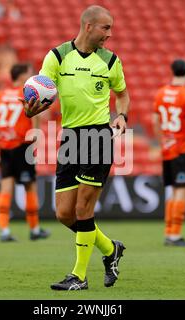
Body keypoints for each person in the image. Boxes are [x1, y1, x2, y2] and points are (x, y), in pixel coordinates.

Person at [24, 5, 130, 291]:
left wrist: (121, 115)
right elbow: (41, 88)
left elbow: (122, 94)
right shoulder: (58, 56)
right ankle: (110, 249)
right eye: (105, 28)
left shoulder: (110, 61)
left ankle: (79, 276)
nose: (109, 34)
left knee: (84, 210)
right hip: (70, 138)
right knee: (64, 214)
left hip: (97, 137)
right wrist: (31, 108)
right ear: (88, 27)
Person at [0, 63, 50, 242]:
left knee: (5, 187)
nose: (31, 77)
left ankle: (4, 231)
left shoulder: (0, 96)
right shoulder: (27, 94)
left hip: (5, 147)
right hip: (22, 145)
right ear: (22, 76)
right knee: (30, 186)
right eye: (29, 74)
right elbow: (36, 115)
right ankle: (34, 229)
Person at [153, 59, 185, 247]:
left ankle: (169, 232)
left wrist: (162, 141)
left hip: (167, 148)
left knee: (172, 190)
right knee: (182, 190)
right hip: (182, 149)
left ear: (172, 71)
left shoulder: (161, 93)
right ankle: (174, 235)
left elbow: (155, 121)